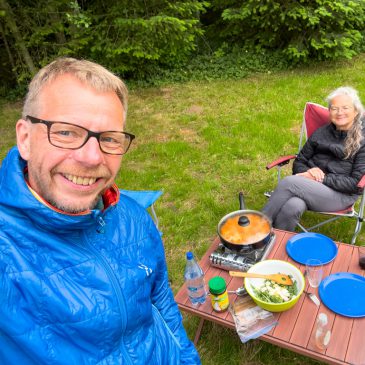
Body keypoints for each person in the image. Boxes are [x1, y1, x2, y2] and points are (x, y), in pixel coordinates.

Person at [0, 57, 201, 365]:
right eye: (66, 132)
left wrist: (187, 359)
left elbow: (160, 302)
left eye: (108, 138)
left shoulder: (133, 217)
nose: (91, 157)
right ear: (25, 138)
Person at [263, 86, 365, 231]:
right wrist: (310, 171)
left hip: (340, 195)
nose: (339, 112)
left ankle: (255, 229)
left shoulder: (363, 139)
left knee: (288, 183)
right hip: (309, 188)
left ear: (356, 111)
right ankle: (273, 244)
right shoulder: (321, 132)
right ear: (329, 112)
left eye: (345, 108)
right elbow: (299, 161)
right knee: (292, 206)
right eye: (334, 108)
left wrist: (321, 178)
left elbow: (355, 184)